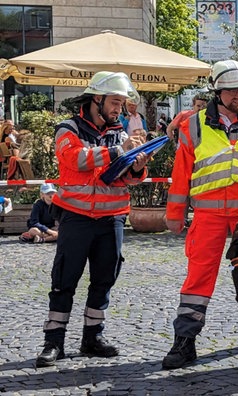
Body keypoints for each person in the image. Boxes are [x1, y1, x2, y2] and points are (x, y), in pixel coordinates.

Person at [161, 60, 238, 370]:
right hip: (208, 214)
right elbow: (181, 173)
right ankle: (184, 342)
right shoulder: (193, 125)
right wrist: (175, 213)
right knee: (199, 276)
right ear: (217, 91)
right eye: (231, 90)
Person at [35, 71, 149, 368]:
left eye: (122, 104)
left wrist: (138, 166)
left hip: (112, 219)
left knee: (104, 280)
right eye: (114, 102)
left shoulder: (120, 133)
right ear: (96, 99)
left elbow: (129, 180)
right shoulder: (67, 128)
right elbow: (76, 159)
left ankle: (92, 337)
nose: (119, 109)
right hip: (76, 217)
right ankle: (53, 342)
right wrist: (118, 151)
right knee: (64, 280)